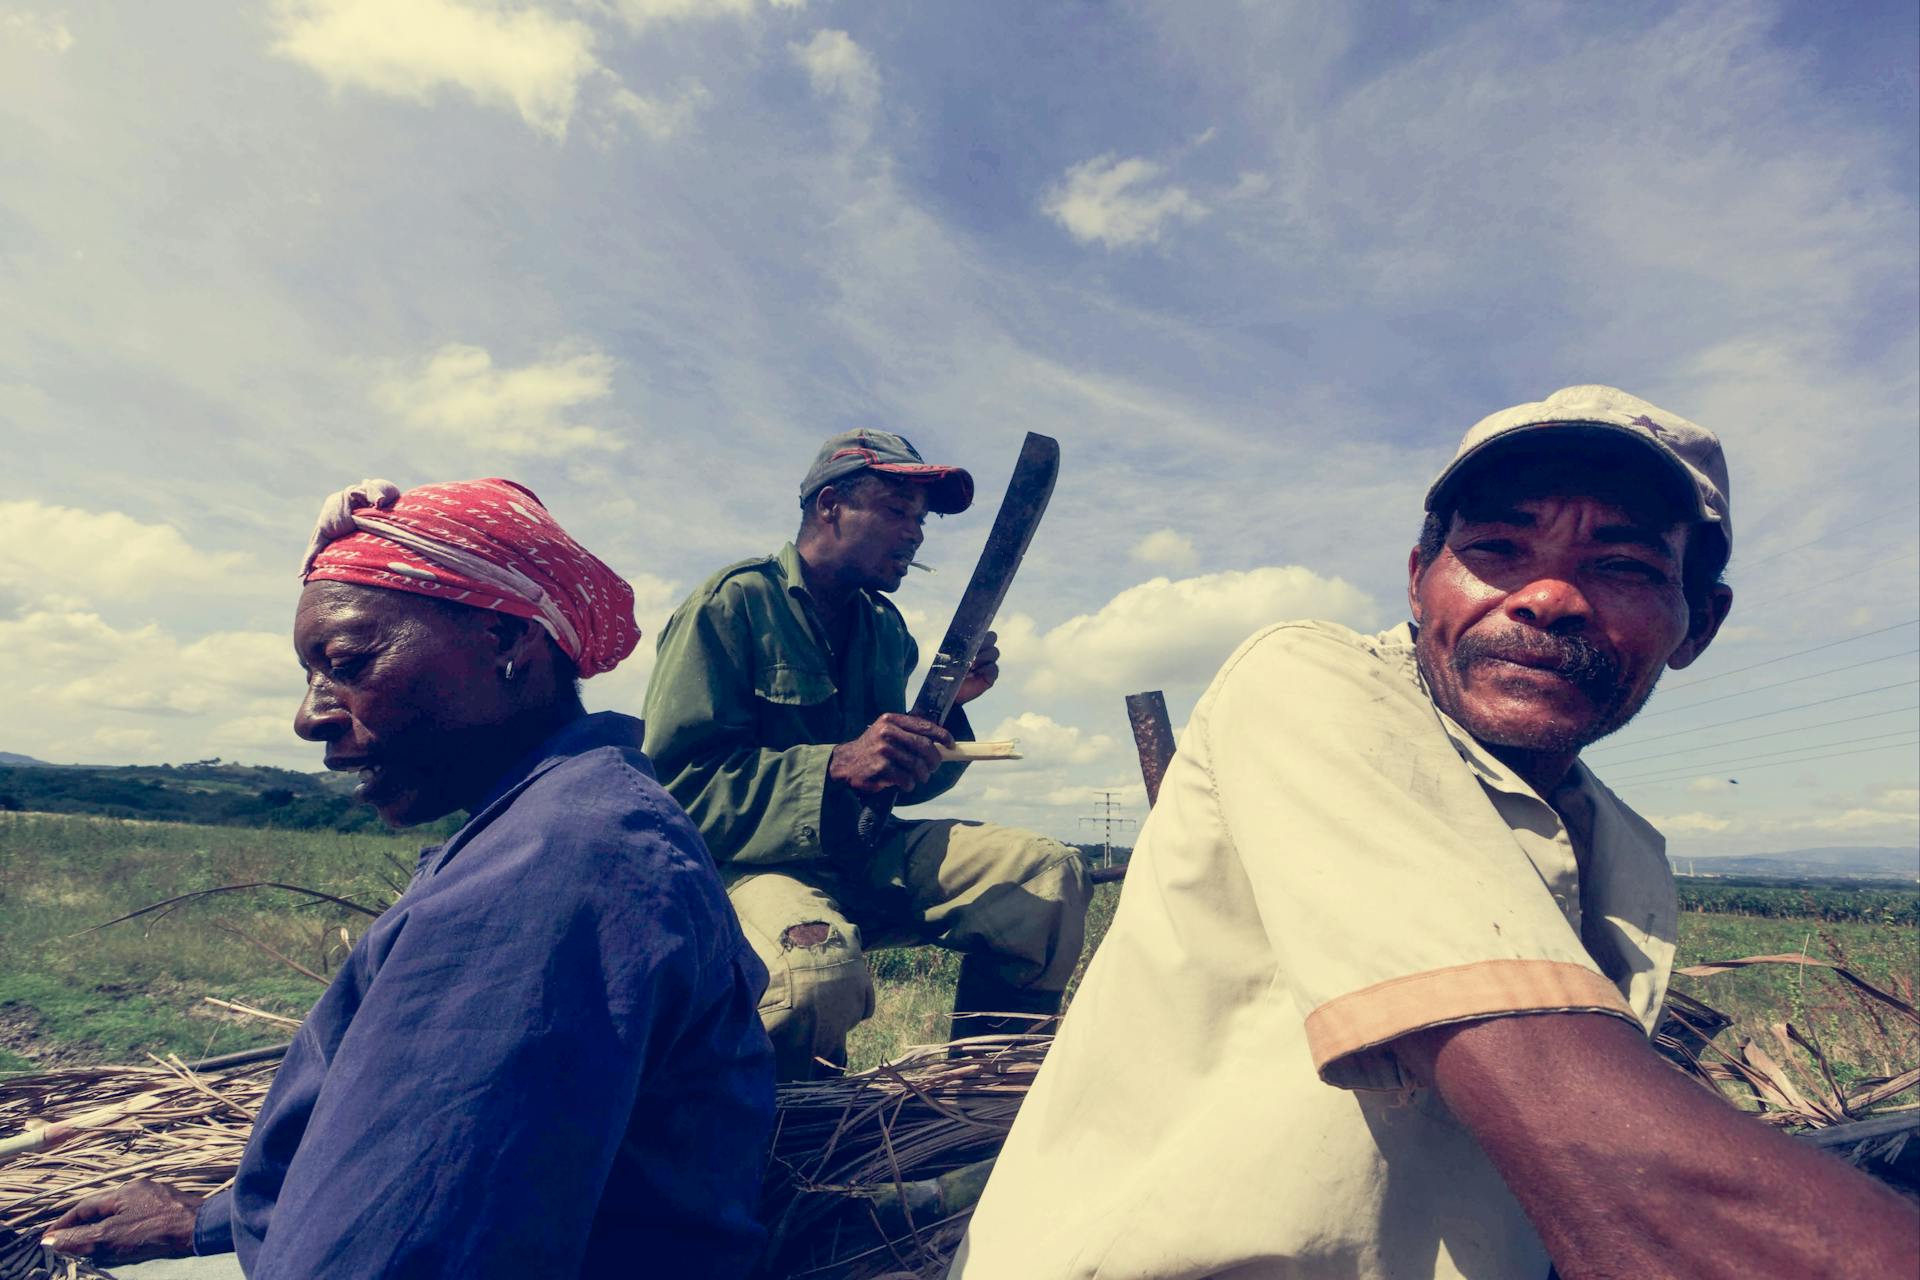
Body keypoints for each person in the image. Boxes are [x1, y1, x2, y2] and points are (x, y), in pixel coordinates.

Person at [951, 387, 1920, 1278]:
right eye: (1497, 549)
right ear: (1419, 580)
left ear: (1697, 623)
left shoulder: (1630, 850)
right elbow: (1615, 1172)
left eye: (1621, 564)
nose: (1547, 596)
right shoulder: (1306, 687)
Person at [42, 478, 775, 1279]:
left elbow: (391, 1253)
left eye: (348, 662)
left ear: (505, 640)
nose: (309, 715)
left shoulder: (556, 868)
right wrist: (221, 1220)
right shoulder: (562, 819)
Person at [643, 430, 1091, 1080]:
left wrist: (946, 711)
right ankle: (794, 1162)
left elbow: (895, 786)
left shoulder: (886, 631)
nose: (915, 535)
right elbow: (675, 790)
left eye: (921, 520)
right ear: (831, 506)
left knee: (1042, 874)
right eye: (896, 511)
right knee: (816, 972)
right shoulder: (733, 605)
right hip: (744, 869)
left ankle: (975, 1115)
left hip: (863, 850)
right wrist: (831, 766)